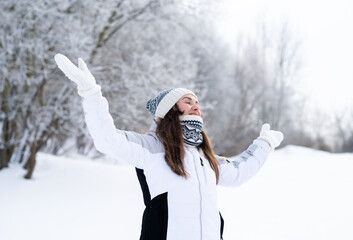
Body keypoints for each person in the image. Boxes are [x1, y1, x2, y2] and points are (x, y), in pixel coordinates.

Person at [54, 53, 284, 240]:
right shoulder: (153, 147)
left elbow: (239, 173)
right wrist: (91, 93)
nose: (196, 107)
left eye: (197, 103)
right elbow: (107, 139)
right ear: (170, 110)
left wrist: (264, 143)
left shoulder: (204, 156)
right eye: (188, 101)